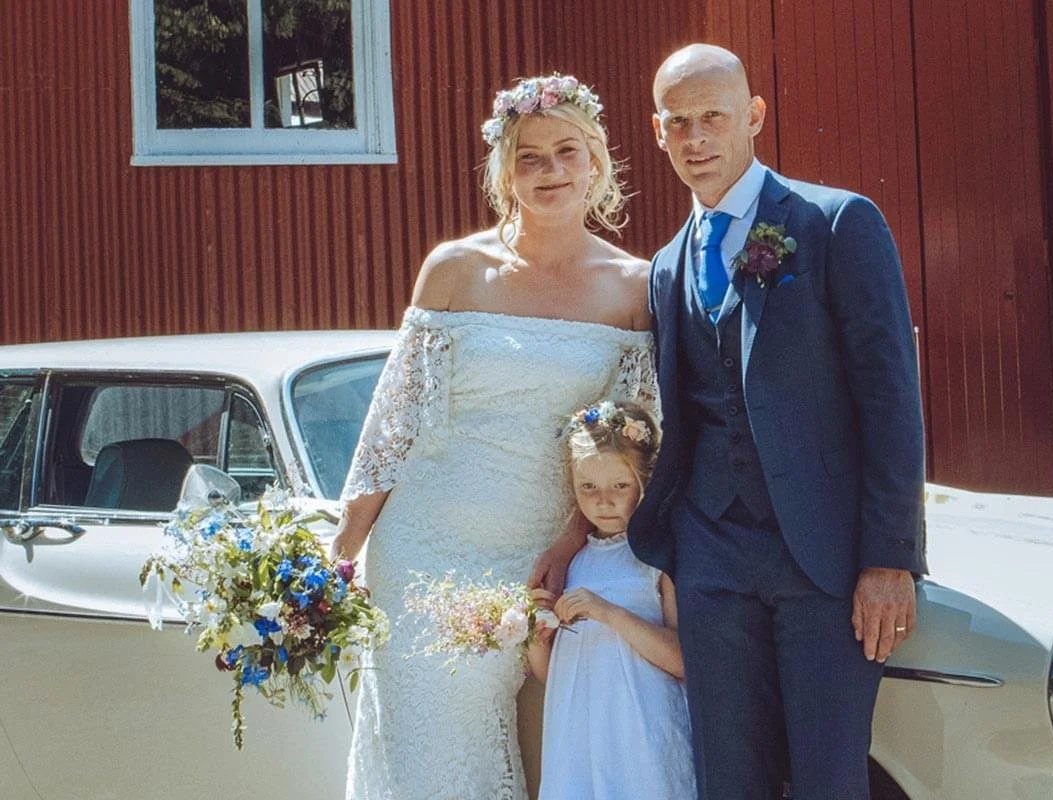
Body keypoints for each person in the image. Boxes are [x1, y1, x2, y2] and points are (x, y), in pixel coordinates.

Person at [331, 74, 658, 800]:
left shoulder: (634, 288)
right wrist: (338, 555)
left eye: (566, 153)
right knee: (431, 758)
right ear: (503, 171)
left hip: (551, 554)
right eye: (530, 158)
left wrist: (572, 543)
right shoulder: (454, 271)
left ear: (597, 163)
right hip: (425, 551)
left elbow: (629, 444)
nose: (550, 172)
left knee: (554, 760)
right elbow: (392, 426)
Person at [633, 43, 926, 798]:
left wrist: (890, 557)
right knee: (729, 779)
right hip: (711, 555)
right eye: (679, 123)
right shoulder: (667, 265)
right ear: (658, 133)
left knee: (828, 777)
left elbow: (889, 396)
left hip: (823, 557)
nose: (696, 139)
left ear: (754, 117)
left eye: (713, 118)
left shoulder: (835, 223)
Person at [526, 400, 695, 800]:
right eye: (589, 488)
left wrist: (606, 612)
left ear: (643, 481)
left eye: (619, 486)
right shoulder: (574, 563)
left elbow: (683, 660)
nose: (604, 501)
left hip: (641, 737)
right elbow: (553, 675)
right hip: (580, 741)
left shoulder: (656, 557)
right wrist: (537, 637)